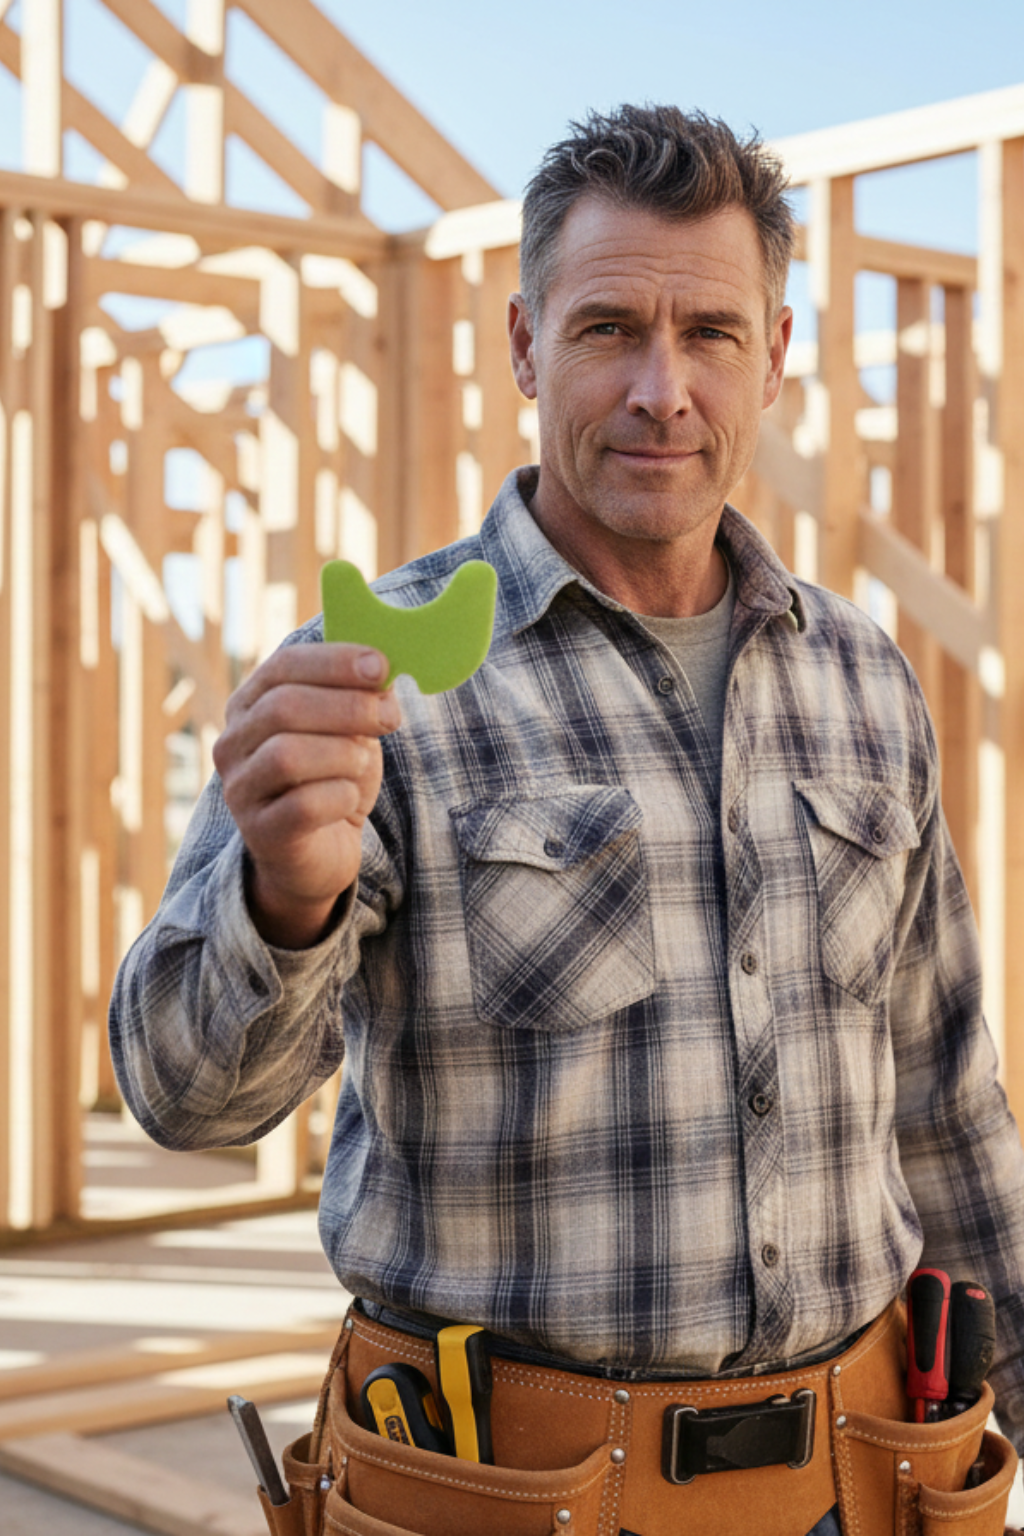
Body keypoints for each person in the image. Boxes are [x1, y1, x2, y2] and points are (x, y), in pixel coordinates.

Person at [110, 107, 1024, 1536]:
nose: (664, 388)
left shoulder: (863, 680)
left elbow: (950, 1108)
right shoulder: (379, 683)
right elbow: (184, 1097)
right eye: (609, 330)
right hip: (499, 1496)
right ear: (528, 347)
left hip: (858, 1487)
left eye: (711, 334)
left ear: (773, 357)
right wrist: (283, 901)